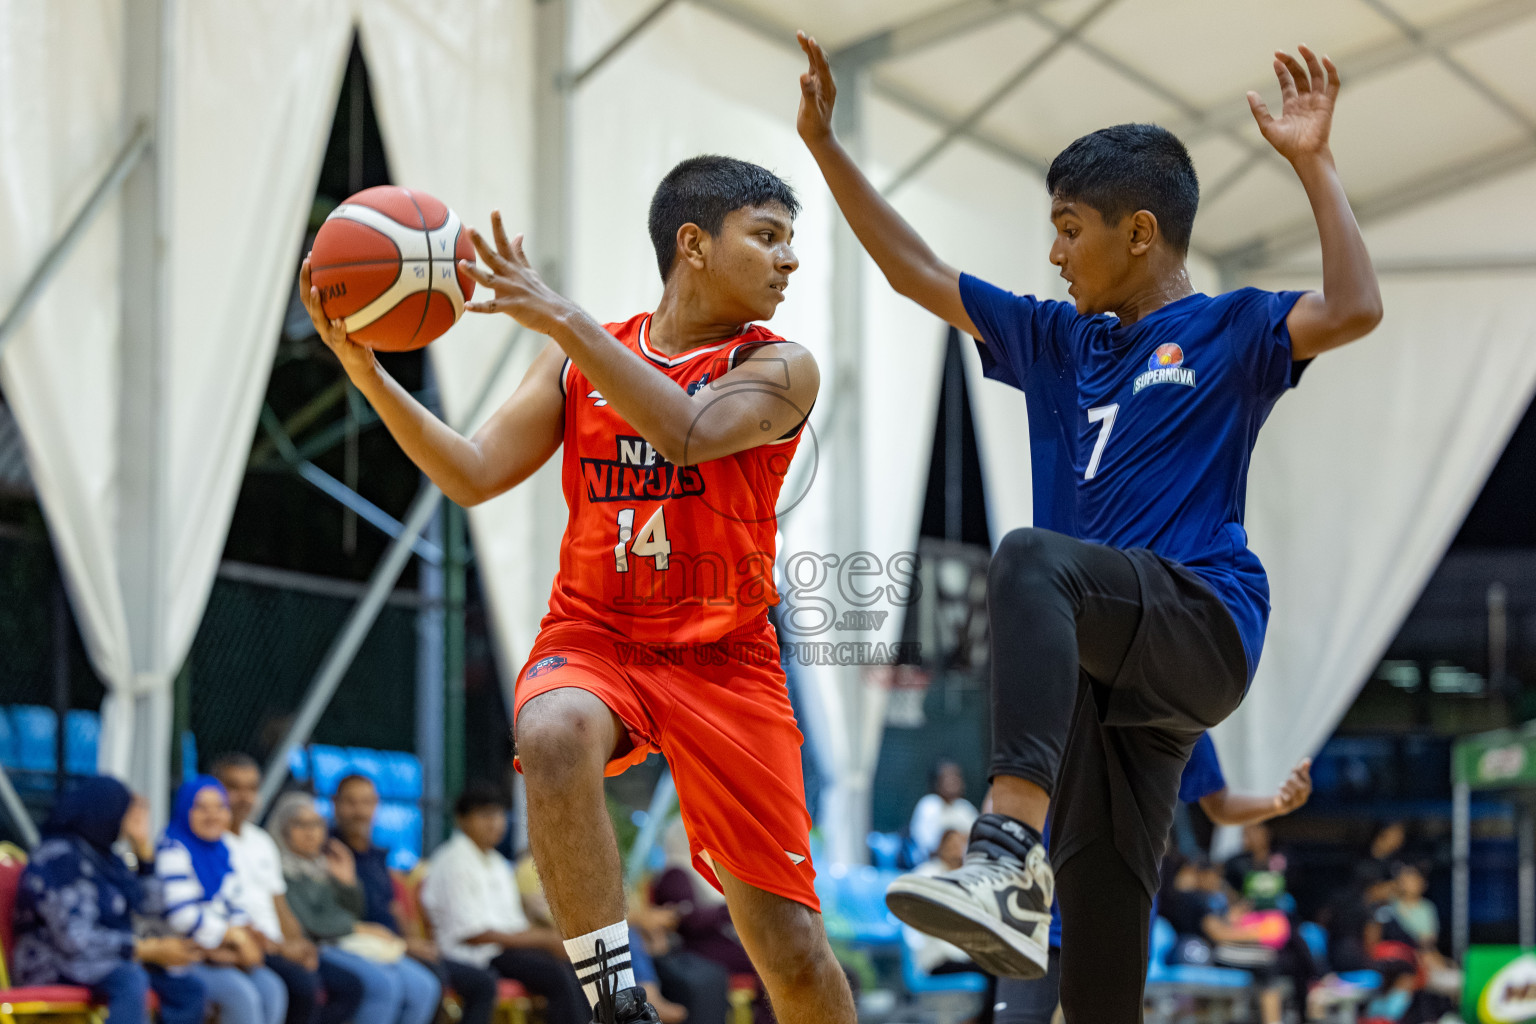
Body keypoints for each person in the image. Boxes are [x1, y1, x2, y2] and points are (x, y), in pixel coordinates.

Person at [796, 28, 1381, 1021]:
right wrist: (823, 147)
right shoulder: (1060, 340)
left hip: (1203, 620)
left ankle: (1004, 850)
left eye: (1071, 227)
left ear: (1140, 232)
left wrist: (1315, 166)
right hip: (1113, 699)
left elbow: (1356, 306)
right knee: (1104, 965)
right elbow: (916, 273)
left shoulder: (1229, 328)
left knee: (1031, 559)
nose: (1054, 251)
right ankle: (1029, 870)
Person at [300, 154, 854, 1024]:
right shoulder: (574, 364)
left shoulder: (783, 368)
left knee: (791, 955)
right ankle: (614, 1004)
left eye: (792, 242)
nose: (789, 260)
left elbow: (683, 430)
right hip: (597, 637)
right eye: (769, 236)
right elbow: (475, 471)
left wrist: (562, 318)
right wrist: (369, 373)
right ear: (694, 244)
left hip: (727, 661)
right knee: (551, 728)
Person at [993, 733, 1313, 1023]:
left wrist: (1277, 803)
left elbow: (1220, 803)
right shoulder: (1058, 702)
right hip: (1037, 922)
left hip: (1122, 927)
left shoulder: (1178, 711)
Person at [10, 776, 206, 1024]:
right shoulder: (59, 858)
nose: (127, 822)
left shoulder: (106, 858)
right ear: (104, 812)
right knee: (131, 979)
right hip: (52, 962)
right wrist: (142, 949)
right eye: (125, 812)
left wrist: (143, 850)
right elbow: (74, 939)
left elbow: (152, 907)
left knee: (188, 989)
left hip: (107, 959)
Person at [331, 773, 499, 1024]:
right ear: (335, 804)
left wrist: (412, 941)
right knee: (432, 977)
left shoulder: (377, 855)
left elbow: (394, 907)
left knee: (482, 981)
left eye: (366, 802)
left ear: (376, 805)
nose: (359, 811)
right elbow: (339, 919)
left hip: (396, 946)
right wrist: (403, 946)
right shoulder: (331, 853)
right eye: (351, 802)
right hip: (361, 946)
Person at [212, 753, 365, 1024]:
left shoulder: (260, 841)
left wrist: (298, 944)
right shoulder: (210, 842)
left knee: (350, 985)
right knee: (302, 987)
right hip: (245, 946)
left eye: (252, 788)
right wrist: (282, 949)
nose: (244, 797)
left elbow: (279, 904)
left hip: (277, 945)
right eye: (234, 787)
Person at [418, 781, 585, 1024]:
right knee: (556, 974)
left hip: (502, 948)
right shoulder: (453, 861)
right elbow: (473, 934)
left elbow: (513, 923)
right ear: (462, 820)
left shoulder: (497, 863)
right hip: (473, 955)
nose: (495, 823)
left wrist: (548, 940)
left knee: (574, 968)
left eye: (499, 814)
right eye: (485, 815)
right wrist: (541, 940)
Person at [269, 791, 442, 1024]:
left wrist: (348, 882)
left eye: (317, 824)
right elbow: (310, 922)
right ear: (282, 828)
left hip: (345, 942)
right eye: (300, 824)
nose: (310, 832)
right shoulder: (277, 867)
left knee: (424, 986)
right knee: (383, 985)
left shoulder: (321, 864)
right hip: (321, 946)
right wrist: (359, 929)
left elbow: (351, 910)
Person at [156, 776, 289, 1024]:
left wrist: (248, 933)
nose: (212, 815)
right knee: (241, 996)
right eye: (201, 807)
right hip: (185, 956)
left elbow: (235, 905)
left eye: (220, 807)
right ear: (185, 809)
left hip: (222, 954)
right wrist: (234, 937)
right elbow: (182, 917)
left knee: (272, 988)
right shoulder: (172, 849)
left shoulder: (222, 852)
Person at [909, 761, 980, 862]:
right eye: (948, 778)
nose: (953, 782)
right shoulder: (929, 805)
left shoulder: (965, 807)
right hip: (931, 864)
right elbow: (928, 847)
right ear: (937, 782)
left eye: (956, 777)